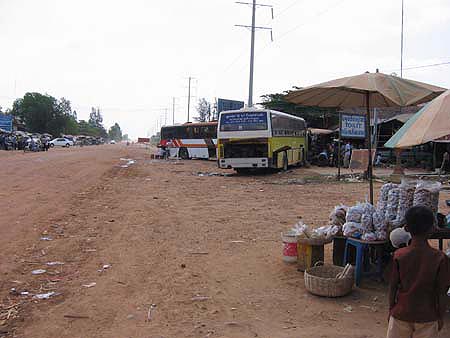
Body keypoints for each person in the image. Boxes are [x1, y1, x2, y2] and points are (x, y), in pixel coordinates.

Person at [387, 206, 450, 338]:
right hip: (428, 316)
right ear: (432, 229)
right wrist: (440, 316)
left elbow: (392, 287)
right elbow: (442, 292)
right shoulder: (440, 258)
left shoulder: (399, 255)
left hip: (401, 314)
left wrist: (391, 309)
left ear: (406, 228)